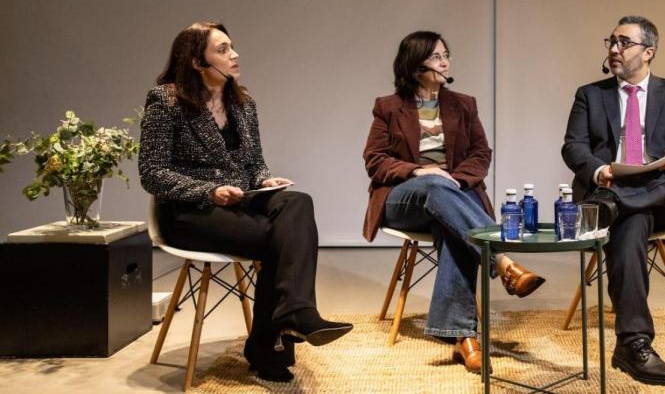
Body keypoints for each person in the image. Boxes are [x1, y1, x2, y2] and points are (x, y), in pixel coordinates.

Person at [139, 21, 351, 384]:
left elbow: (253, 163)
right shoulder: (166, 100)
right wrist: (208, 191)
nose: (234, 55)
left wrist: (264, 180)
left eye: (232, 47)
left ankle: (293, 314)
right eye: (222, 49)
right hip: (190, 210)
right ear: (196, 61)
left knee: (297, 202)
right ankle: (272, 340)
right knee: (278, 243)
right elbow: (152, 172)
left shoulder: (243, 102)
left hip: (240, 201)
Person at [362, 31, 545, 374]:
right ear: (415, 66)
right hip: (403, 201)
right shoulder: (388, 107)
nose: (444, 62)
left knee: (453, 228)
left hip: (453, 201)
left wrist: (456, 181)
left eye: (446, 54)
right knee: (433, 184)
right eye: (435, 57)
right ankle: (502, 261)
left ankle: (463, 339)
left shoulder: (463, 104)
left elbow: (480, 154)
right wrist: (420, 171)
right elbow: (375, 160)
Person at [562, 16, 665, 388]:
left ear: (648, 52)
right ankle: (633, 344)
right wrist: (600, 171)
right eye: (611, 41)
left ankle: (619, 201)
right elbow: (573, 147)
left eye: (624, 43)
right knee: (632, 223)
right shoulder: (591, 94)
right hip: (611, 183)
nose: (614, 49)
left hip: (659, 190)